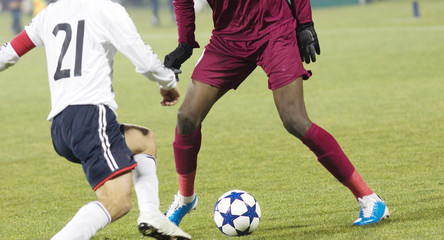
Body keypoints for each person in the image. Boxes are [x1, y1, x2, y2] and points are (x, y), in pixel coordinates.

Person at [162, 0, 390, 228]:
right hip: (227, 39)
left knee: (295, 120)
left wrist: (305, 24)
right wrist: (185, 42)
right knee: (187, 117)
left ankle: (369, 198)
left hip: (275, 30)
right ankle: (185, 199)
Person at [0, 0, 191, 239]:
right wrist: (168, 83)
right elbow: (143, 59)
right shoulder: (107, 9)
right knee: (116, 202)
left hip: (61, 127)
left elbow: (7, 54)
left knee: (143, 139)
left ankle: (151, 214)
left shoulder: (49, 14)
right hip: (91, 117)